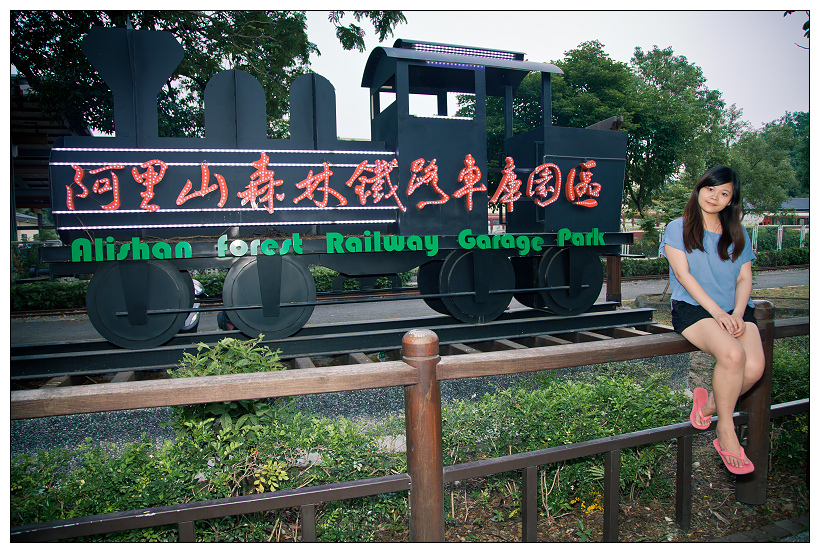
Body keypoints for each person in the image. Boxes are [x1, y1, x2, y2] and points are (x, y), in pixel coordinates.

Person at [659, 166, 764, 475]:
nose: (715, 197)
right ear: (699, 188)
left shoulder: (737, 233)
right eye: (710, 189)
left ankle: (708, 406)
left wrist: (737, 312)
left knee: (754, 368)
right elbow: (683, 275)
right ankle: (725, 430)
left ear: (731, 200)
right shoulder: (678, 227)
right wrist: (717, 312)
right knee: (733, 355)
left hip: (735, 310)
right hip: (694, 308)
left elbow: (744, 277)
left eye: (724, 193)